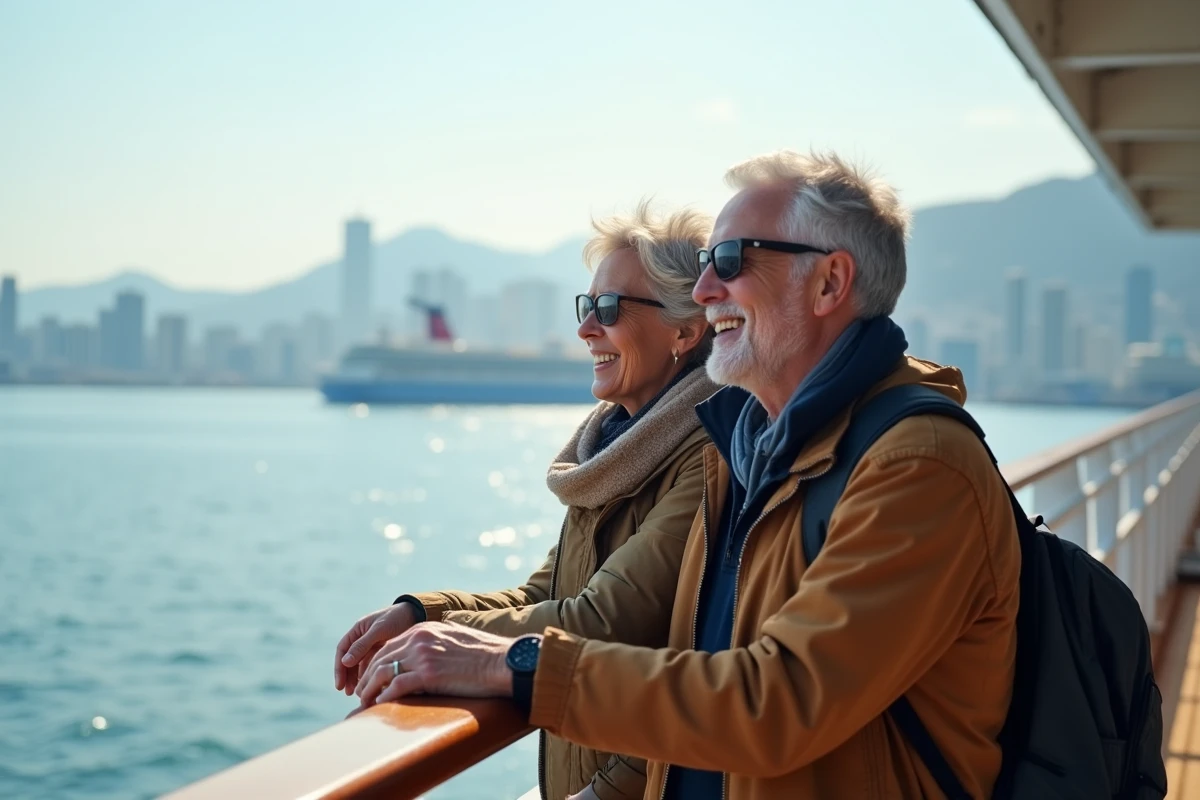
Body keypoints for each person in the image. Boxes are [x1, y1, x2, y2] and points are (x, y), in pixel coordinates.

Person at [351, 150, 1022, 799]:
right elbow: (690, 654)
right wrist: (428, 614)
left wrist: (509, 664)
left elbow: (776, 702)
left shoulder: (917, 466)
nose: (704, 293)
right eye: (705, 266)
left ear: (829, 283)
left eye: (730, 261)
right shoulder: (749, 451)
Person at [335, 201, 721, 800]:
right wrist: (423, 614)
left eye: (610, 309)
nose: (586, 329)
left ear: (685, 330)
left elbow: (601, 621)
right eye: (587, 307)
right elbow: (545, 596)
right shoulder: (613, 450)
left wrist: (447, 644)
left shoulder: (708, 452)